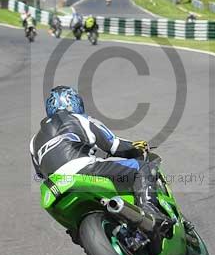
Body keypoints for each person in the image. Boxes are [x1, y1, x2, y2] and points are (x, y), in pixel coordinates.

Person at [30, 86, 171, 245]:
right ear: (76, 103)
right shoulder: (81, 119)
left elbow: (40, 174)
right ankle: (150, 209)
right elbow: (115, 145)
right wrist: (136, 147)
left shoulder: (34, 141)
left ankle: (82, 236)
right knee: (144, 169)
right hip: (84, 168)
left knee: (75, 233)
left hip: (54, 186)